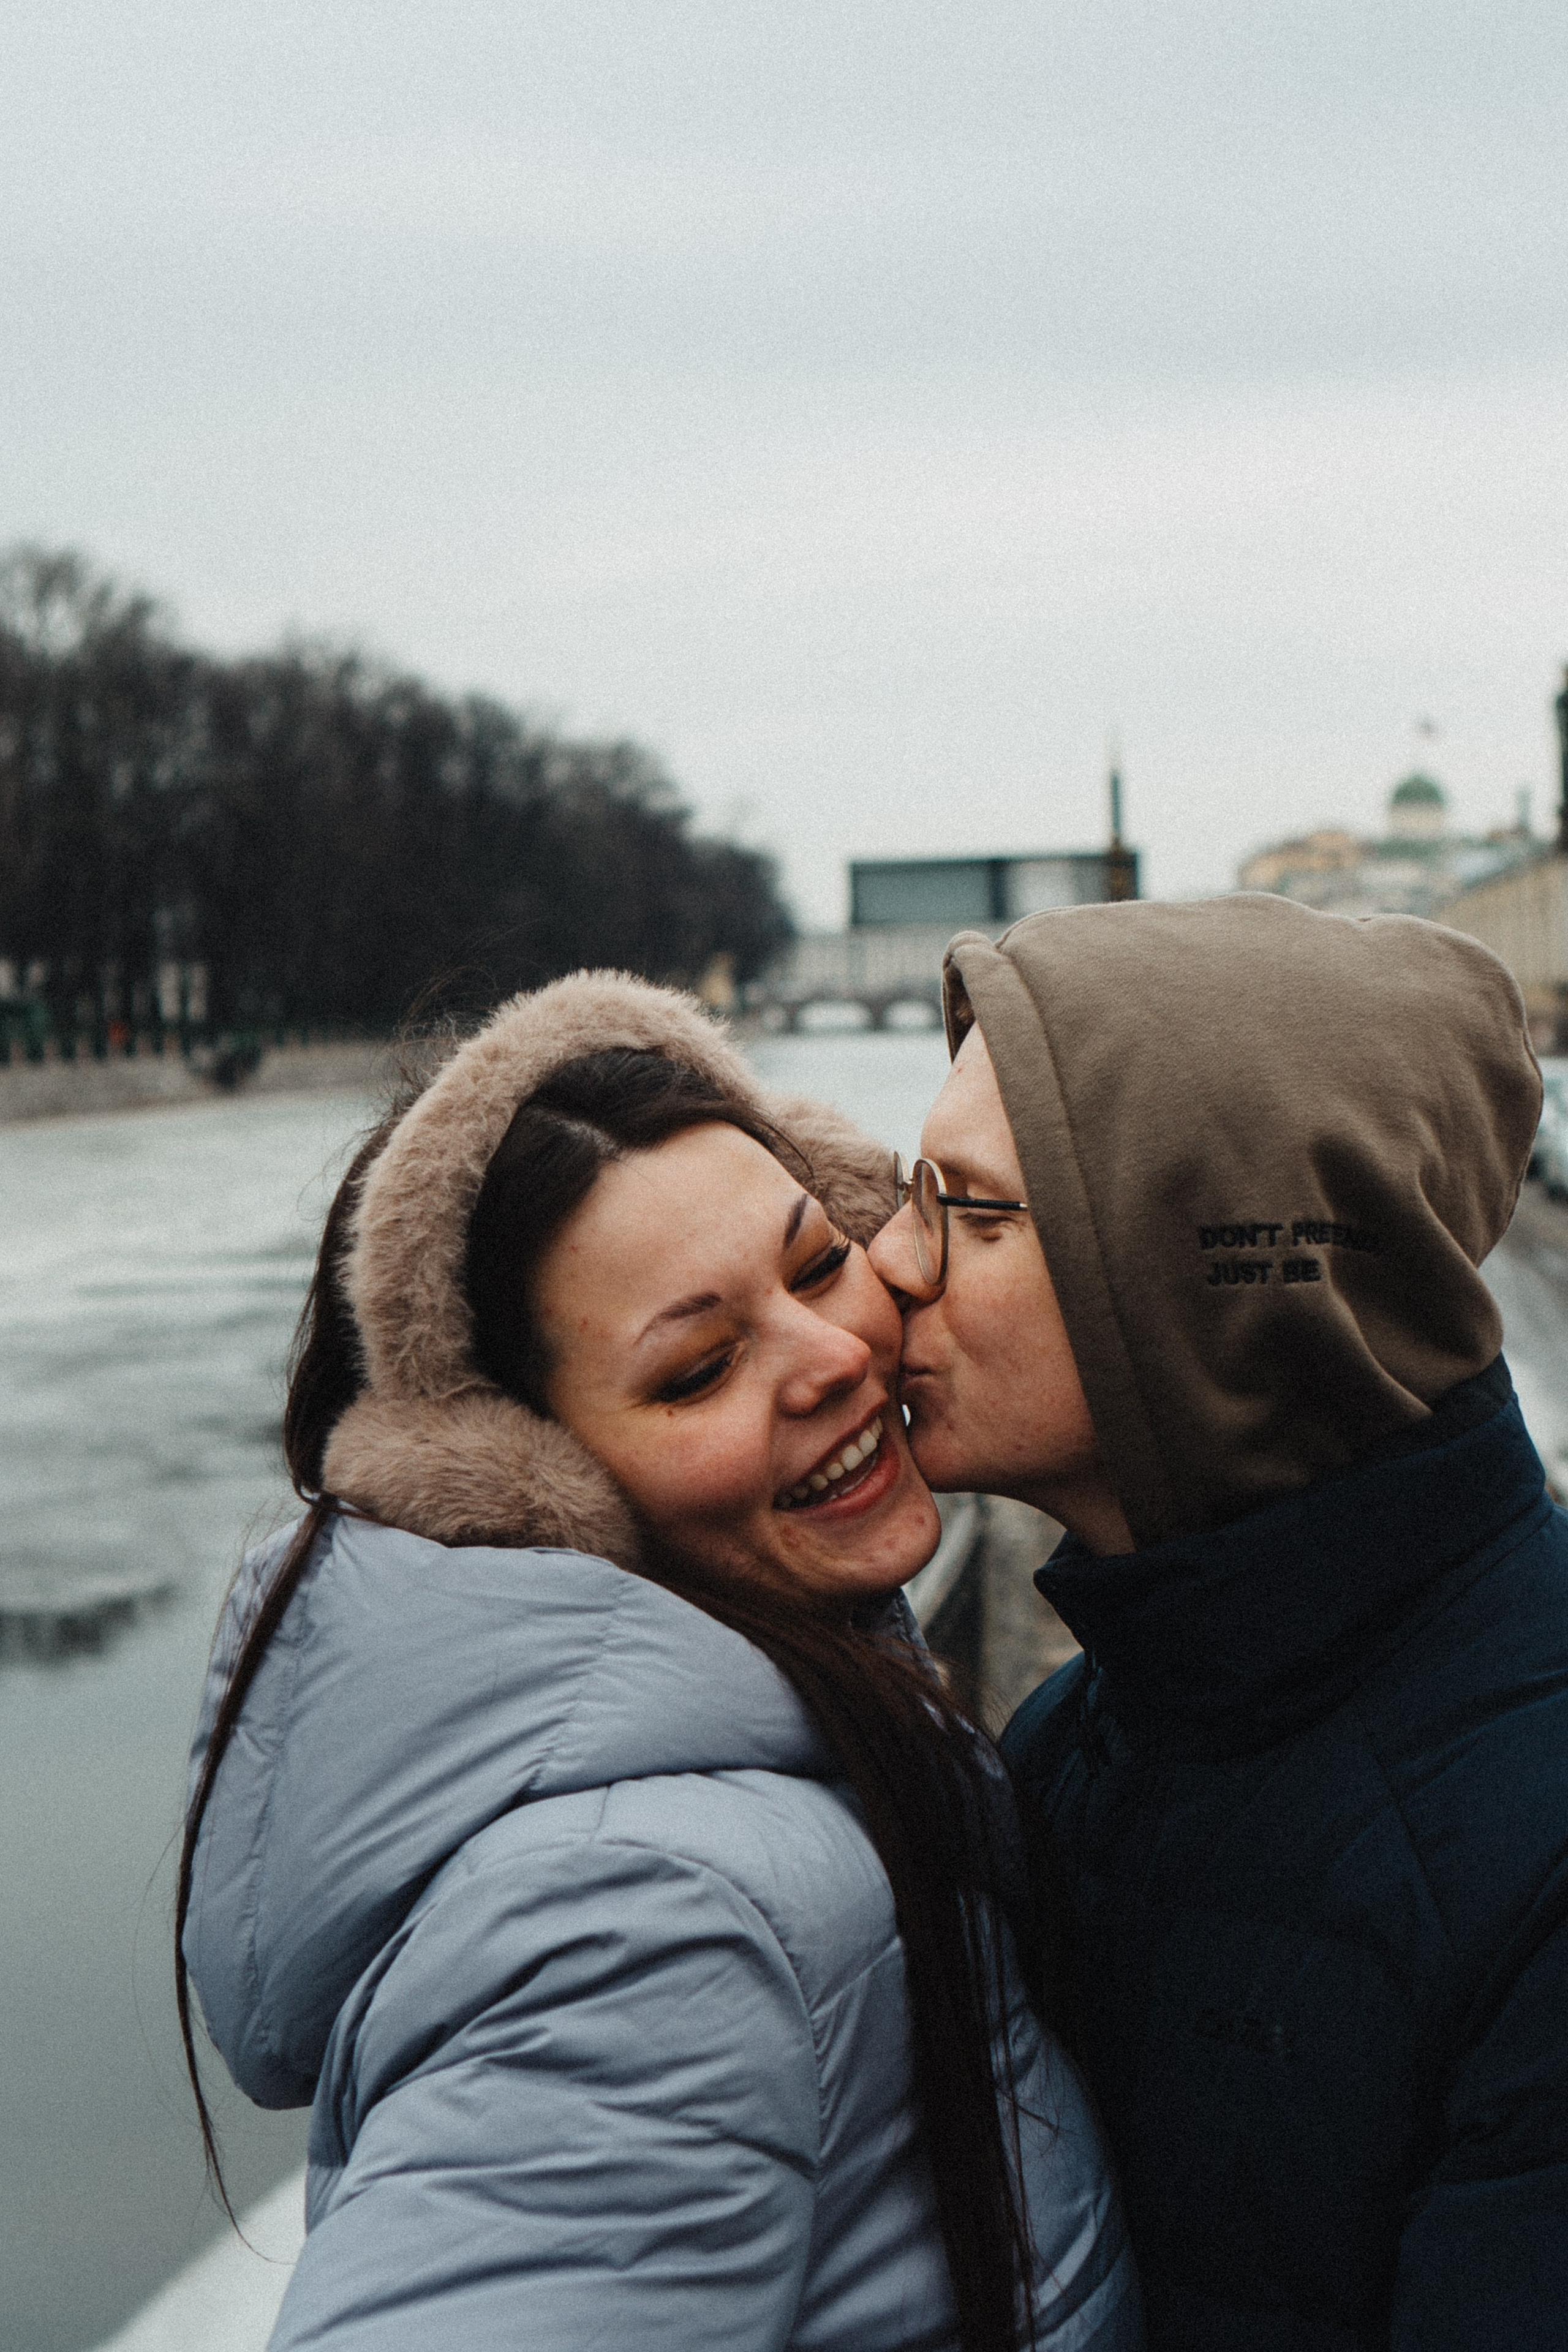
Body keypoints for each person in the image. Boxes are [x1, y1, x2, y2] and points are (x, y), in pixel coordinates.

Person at [178, 973, 1141, 2352]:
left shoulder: (767, 1782)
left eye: (818, 1264)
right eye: (697, 1370)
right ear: (530, 1488)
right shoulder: (646, 1926)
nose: (832, 1355)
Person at [868, 893, 1568, 2352]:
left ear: (1211, 1284)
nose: (888, 1264)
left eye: (974, 1211)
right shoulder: (1080, 1736)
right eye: (905, 1190)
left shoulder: (1535, 1848)